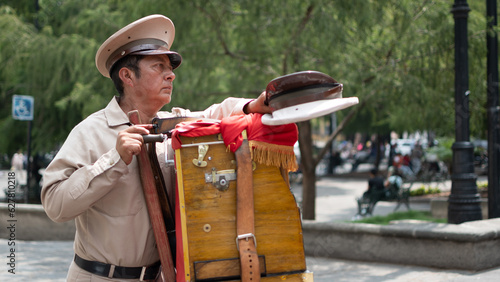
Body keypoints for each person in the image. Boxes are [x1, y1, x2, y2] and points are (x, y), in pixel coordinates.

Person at [41, 15, 271, 282]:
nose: (171, 74)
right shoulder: (90, 131)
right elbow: (55, 206)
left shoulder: (173, 125)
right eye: (158, 66)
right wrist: (115, 159)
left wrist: (251, 106)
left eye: (170, 67)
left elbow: (214, 114)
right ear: (127, 75)